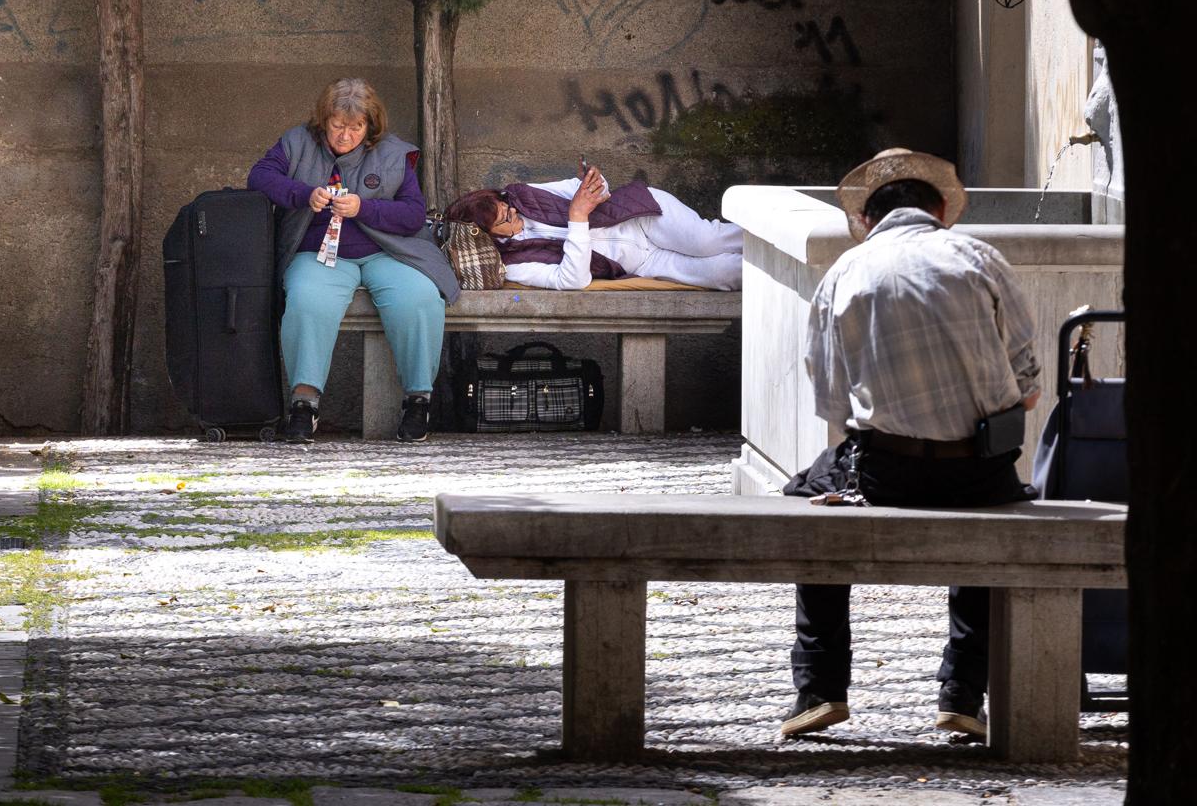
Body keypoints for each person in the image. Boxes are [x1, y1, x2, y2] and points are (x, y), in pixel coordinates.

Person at [780, 148, 1041, 741]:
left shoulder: (844, 273)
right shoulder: (981, 258)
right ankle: (961, 696)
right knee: (993, 514)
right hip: (980, 470)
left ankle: (818, 689)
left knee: (810, 498)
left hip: (886, 471)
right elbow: (1027, 389)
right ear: (942, 208)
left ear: (867, 220)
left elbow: (832, 404)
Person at [247, 78, 460, 443]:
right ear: (323, 120)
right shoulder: (297, 141)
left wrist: (366, 207)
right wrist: (302, 195)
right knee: (306, 299)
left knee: (421, 297)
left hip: (387, 252)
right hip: (318, 253)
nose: (344, 135)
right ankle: (304, 403)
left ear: (370, 126)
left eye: (355, 127)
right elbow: (259, 177)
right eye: (337, 125)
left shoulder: (393, 153)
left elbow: (412, 215)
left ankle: (418, 400)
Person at [443, 164, 743, 290]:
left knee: (708, 241)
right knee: (723, 274)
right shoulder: (515, 264)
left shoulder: (520, 194)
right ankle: (785, 276)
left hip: (641, 215)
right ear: (491, 238)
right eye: (504, 219)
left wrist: (592, 183)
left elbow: (577, 189)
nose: (512, 211)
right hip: (641, 262)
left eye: (505, 205)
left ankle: (781, 236)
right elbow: (572, 280)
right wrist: (577, 217)